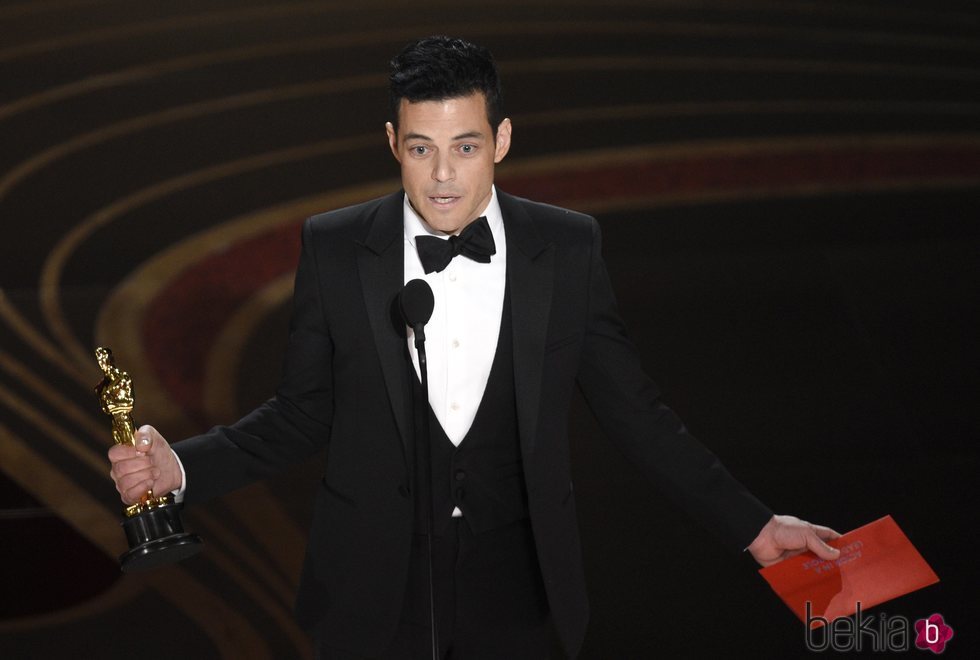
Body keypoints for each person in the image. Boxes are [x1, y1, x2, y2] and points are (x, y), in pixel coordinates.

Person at [108, 36, 840, 659]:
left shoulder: (566, 247)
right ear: (393, 143)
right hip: (373, 594)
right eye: (420, 149)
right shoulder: (334, 247)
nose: (443, 176)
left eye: (465, 147)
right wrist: (181, 468)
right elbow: (301, 413)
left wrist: (753, 526)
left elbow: (637, 414)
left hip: (520, 594)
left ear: (502, 139)